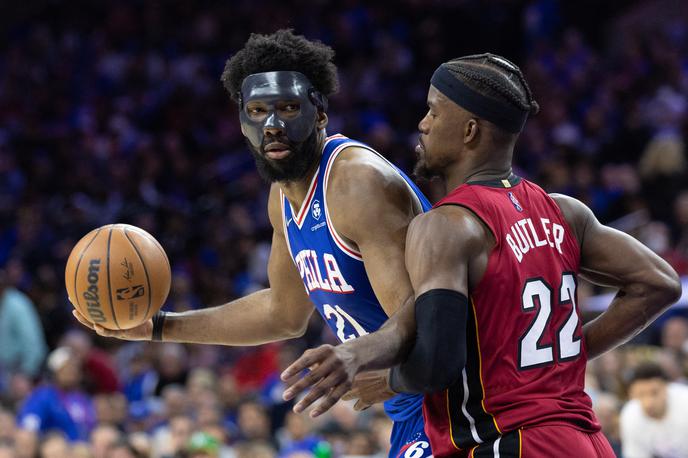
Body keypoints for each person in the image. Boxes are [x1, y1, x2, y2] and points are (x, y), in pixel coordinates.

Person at [281, 53, 683, 457]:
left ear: (469, 131)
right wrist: (565, 359)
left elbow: (437, 363)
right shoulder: (564, 212)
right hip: (585, 440)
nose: (422, 123)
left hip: (510, 440)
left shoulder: (447, 225)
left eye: (433, 112)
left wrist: (389, 380)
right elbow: (659, 283)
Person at [72, 29, 433, 457]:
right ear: (243, 122)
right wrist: (159, 326)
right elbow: (283, 313)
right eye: (258, 111)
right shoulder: (283, 196)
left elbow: (423, 317)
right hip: (411, 410)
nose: (273, 126)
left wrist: (358, 358)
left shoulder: (356, 181)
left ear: (320, 113)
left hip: (449, 397)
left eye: (288, 108)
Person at [620, 362, 688, 458]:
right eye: (640, 394)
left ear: (666, 388)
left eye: (654, 393)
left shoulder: (685, 401)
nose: (648, 402)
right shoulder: (630, 415)